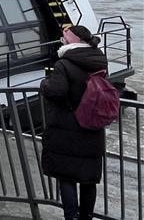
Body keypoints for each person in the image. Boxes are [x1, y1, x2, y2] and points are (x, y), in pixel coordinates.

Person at [41, 25, 107, 220]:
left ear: (72, 41)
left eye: (65, 38)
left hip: (67, 127)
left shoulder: (64, 64)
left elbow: (56, 91)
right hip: (93, 126)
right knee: (89, 179)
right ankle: (86, 217)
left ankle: (71, 217)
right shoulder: (99, 60)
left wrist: (45, 84)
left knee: (67, 177)